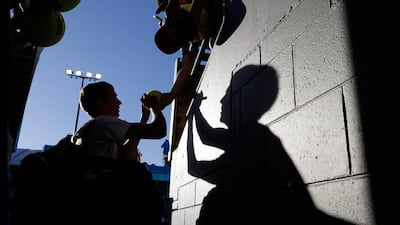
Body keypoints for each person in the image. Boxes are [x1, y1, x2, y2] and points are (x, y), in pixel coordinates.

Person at [73, 81, 167, 161]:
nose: (119, 102)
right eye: (114, 97)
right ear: (102, 104)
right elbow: (159, 130)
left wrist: (144, 118)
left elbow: (127, 152)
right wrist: (154, 106)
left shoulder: (92, 129)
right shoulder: (104, 123)